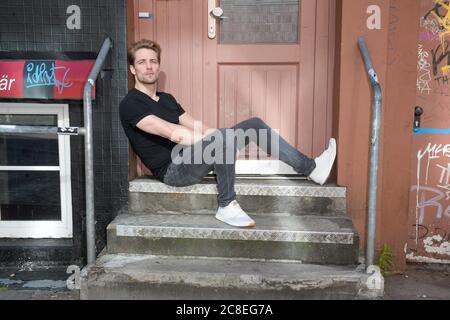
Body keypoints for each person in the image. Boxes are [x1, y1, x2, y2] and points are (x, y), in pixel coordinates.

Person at [120, 39, 337, 228]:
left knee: (253, 125)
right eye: (142, 62)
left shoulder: (166, 98)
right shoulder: (131, 103)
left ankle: (312, 168)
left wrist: (219, 134)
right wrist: (219, 139)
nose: (149, 67)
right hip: (173, 171)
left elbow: (195, 125)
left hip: (193, 157)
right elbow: (172, 133)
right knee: (220, 140)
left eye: (153, 61)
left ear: (158, 66)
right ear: (132, 69)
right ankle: (226, 204)